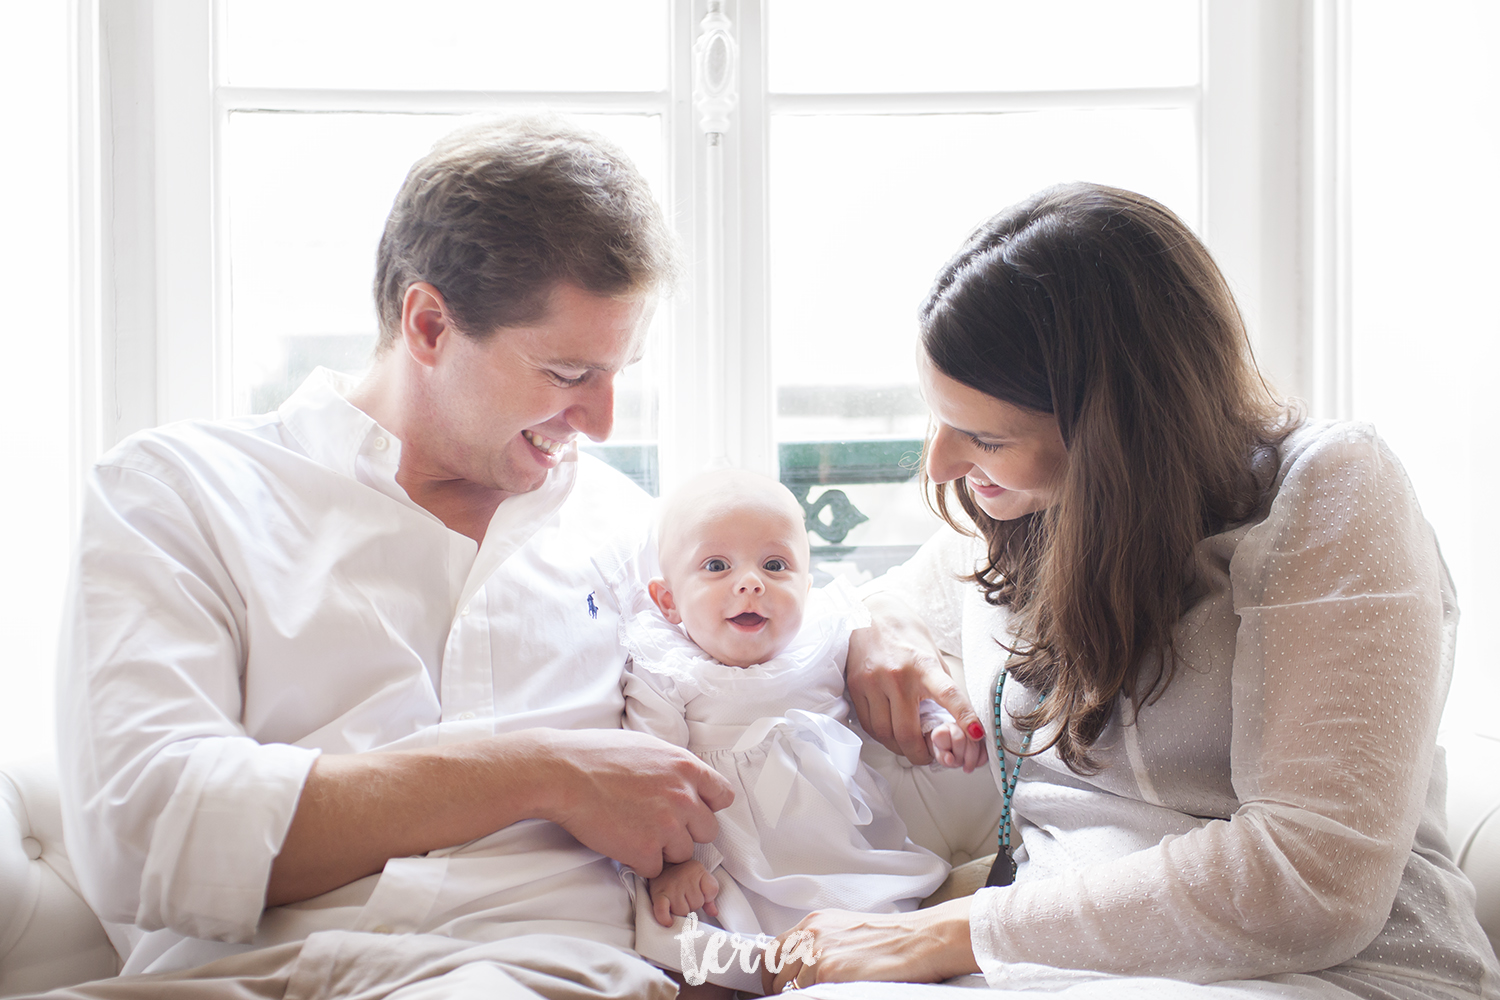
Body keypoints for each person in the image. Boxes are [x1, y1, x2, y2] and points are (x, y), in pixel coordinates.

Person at [42, 116, 756, 1000]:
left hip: (571, 975)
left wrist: (880, 648)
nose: (603, 422)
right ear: (428, 324)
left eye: (621, 372)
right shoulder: (178, 490)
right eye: (569, 375)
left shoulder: (631, 529)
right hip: (262, 977)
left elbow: (777, 661)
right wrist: (543, 775)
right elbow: (143, 830)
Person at [762, 183, 1500, 997]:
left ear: (1116, 432)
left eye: (984, 436)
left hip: (1325, 970)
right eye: (935, 418)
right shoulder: (1029, 507)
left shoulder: (1333, 494)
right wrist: (879, 635)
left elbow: (1311, 880)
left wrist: (945, 935)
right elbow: (893, 604)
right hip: (1059, 967)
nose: (939, 466)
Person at [611, 470, 969, 992]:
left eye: (775, 565)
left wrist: (937, 725)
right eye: (716, 566)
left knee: (868, 942)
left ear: (805, 584)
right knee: (694, 958)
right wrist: (673, 865)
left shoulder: (823, 640)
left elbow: (902, 690)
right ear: (668, 601)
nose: (751, 582)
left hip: (836, 855)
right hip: (724, 864)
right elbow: (653, 778)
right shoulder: (668, 668)